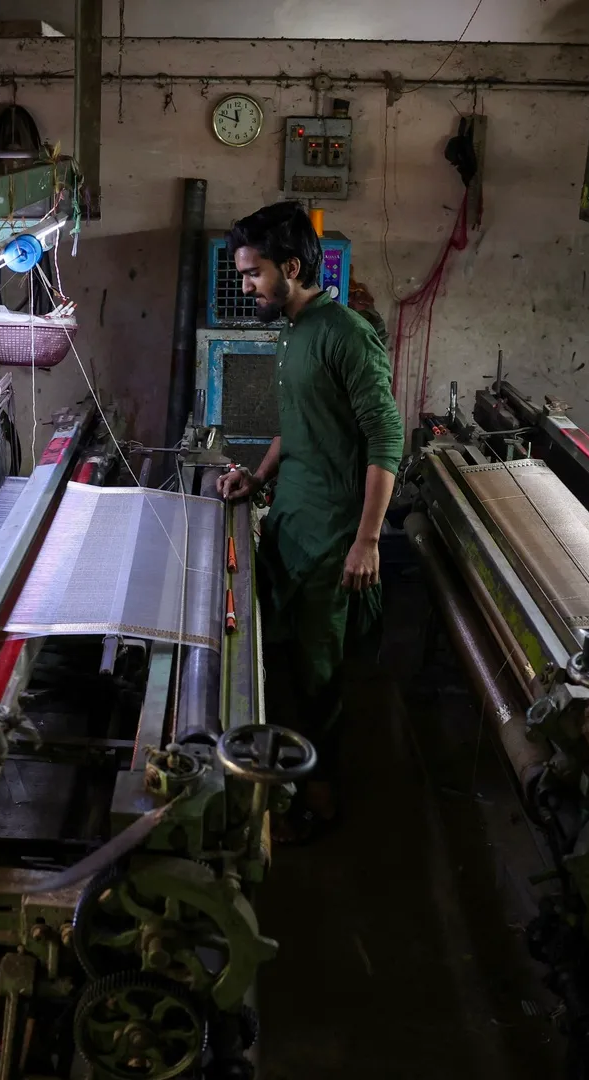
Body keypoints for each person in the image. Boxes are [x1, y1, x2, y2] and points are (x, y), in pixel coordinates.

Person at [216, 202, 404, 843]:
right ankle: (282, 776)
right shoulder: (293, 331)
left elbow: (386, 438)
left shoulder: (346, 335)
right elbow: (295, 424)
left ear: (291, 267)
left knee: (321, 679)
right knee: (283, 664)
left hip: (331, 541)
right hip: (291, 524)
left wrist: (367, 540)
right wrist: (258, 477)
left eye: (254, 273)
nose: (247, 287)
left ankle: (320, 803)